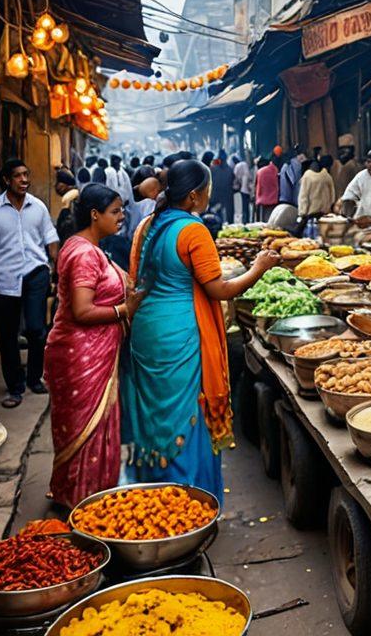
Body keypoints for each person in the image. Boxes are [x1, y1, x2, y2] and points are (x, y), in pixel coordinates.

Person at [126, 160, 280, 497]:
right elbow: (219, 290)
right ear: (194, 196)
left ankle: (152, 491)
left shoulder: (146, 226)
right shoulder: (194, 231)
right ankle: (188, 497)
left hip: (146, 331)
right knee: (184, 414)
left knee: (155, 416)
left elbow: (135, 278)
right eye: (207, 191)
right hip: (181, 333)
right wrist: (259, 267)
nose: (209, 196)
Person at [44, 185, 140, 508]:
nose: (122, 216)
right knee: (85, 431)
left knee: (93, 429)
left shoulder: (84, 246)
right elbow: (82, 310)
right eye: (115, 211)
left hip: (88, 353)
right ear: (95, 215)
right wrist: (123, 310)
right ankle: (83, 502)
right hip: (81, 356)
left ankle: (88, 496)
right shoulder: (85, 253)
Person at [0, 159, 59, 408]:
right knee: (9, 335)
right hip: (4, 278)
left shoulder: (38, 207)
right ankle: (15, 387)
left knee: (36, 329)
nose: (24, 180)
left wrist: (55, 268)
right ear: (6, 180)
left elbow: (50, 239)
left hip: (35, 272)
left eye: (26, 174)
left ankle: (34, 377)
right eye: (18, 176)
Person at [298, 155, 337, 221]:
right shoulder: (327, 176)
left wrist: (302, 214)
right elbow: (332, 197)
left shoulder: (307, 177)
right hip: (325, 215)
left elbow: (303, 198)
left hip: (311, 215)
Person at [53, 169, 80, 242]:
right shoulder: (73, 197)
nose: (55, 186)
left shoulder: (72, 200)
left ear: (64, 185)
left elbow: (67, 229)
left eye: (58, 182)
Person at [209, 151, 235, 224]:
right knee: (229, 215)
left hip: (215, 196)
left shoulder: (212, 168)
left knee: (216, 215)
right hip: (227, 195)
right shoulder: (230, 169)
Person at [255, 156, 279, 223]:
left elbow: (258, 187)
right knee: (271, 220)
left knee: (262, 222)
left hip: (262, 201)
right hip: (274, 200)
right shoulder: (275, 170)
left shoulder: (260, 172)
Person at [232, 155, 254, 224]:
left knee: (244, 207)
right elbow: (249, 176)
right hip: (249, 189)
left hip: (243, 189)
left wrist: (235, 186)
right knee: (247, 207)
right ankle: (248, 221)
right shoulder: (244, 164)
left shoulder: (237, 166)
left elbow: (235, 178)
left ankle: (244, 221)